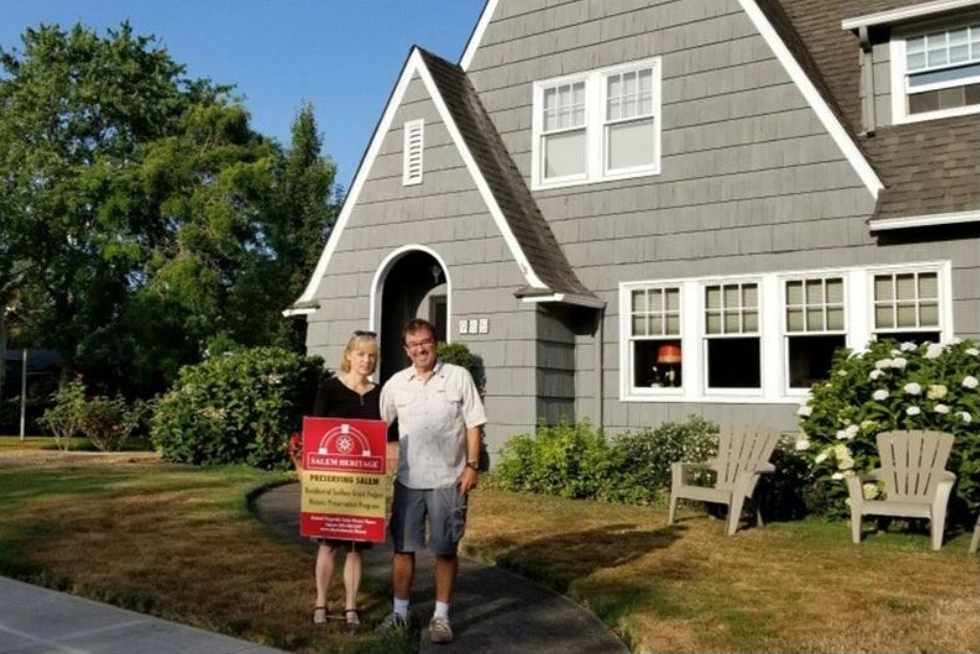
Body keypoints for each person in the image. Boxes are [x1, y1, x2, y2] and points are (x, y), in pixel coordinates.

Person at [378, 318, 486, 644]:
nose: (420, 349)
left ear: (434, 342)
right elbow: (376, 426)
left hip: (448, 480)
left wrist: (472, 466)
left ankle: (441, 617)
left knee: (445, 549)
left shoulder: (458, 377)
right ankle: (400, 613)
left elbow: (474, 423)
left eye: (425, 342)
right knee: (403, 549)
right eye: (413, 345)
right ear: (406, 349)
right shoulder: (396, 383)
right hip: (409, 481)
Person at [302, 331, 381, 633]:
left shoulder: (378, 393)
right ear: (349, 355)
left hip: (363, 487)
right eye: (361, 354)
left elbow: (383, 437)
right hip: (331, 486)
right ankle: (321, 603)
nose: (367, 360)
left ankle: (351, 605)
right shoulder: (329, 389)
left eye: (372, 355)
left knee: (355, 549)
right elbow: (316, 433)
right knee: (328, 546)